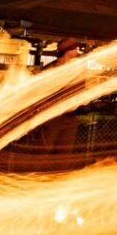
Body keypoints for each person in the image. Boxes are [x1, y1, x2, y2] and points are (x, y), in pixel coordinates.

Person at [40, 37, 82, 166]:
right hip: (53, 117)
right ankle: (38, 174)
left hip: (70, 116)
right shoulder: (51, 70)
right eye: (74, 49)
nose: (77, 52)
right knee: (44, 151)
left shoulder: (76, 71)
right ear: (67, 51)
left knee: (64, 154)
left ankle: (57, 174)